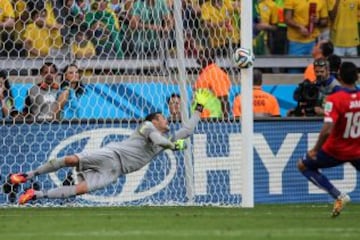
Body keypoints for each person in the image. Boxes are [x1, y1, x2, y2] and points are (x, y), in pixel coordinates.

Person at [9, 89, 211, 204]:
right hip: (111, 154)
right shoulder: (148, 127)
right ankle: (27, 175)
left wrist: (199, 108)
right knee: (71, 159)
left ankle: (35, 195)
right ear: (154, 121)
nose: (167, 121)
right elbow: (160, 142)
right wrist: (174, 146)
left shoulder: (168, 137)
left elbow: (189, 129)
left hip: (116, 171)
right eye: (163, 119)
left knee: (79, 189)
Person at [297, 61, 360, 217]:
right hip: (357, 150)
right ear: (357, 77)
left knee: (303, 165)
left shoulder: (335, 99)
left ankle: (338, 196)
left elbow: (327, 130)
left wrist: (315, 149)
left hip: (335, 150)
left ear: (338, 76)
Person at [194, 48, 231, 119]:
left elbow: (223, 98)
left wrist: (225, 121)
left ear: (203, 56)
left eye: (200, 54)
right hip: (203, 118)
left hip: (213, 120)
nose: (197, 57)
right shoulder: (206, 73)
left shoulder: (215, 73)